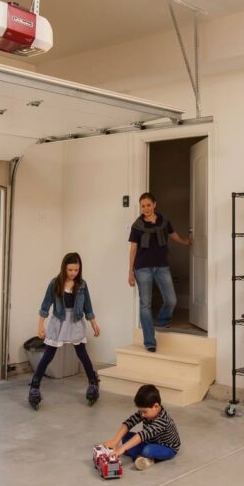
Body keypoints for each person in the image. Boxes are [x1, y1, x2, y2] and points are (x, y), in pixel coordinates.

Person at [28, 252, 101, 410]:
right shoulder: (55, 283)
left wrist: (94, 323)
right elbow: (45, 305)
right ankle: (34, 386)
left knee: (81, 353)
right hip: (59, 322)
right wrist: (40, 325)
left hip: (75, 322)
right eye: (70, 270)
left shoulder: (82, 284)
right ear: (64, 268)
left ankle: (93, 382)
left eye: (76, 270)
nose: (73, 273)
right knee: (48, 354)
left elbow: (88, 306)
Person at [127, 192, 192, 351]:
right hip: (142, 268)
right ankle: (149, 342)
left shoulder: (164, 222)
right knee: (145, 304)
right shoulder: (137, 226)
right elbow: (133, 249)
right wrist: (130, 272)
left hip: (162, 266)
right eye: (143, 206)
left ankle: (163, 319)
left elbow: (173, 234)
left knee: (171, 300)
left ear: (154, 205)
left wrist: (185, 242)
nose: (146, 208)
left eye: (148, 205)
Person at [103, 384, 180, 471]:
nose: (142, 414)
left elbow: (142, 435)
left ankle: (148, 459)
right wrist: (115, 441)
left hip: (167, 448)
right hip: (149, 441)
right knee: (125, 436)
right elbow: (129, 422)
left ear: (156, 406)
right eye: (141, 411)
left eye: (144, 412)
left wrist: (122, 448)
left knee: (147, 450)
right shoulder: (145, 412)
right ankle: (141, 456)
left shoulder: (162, 421)